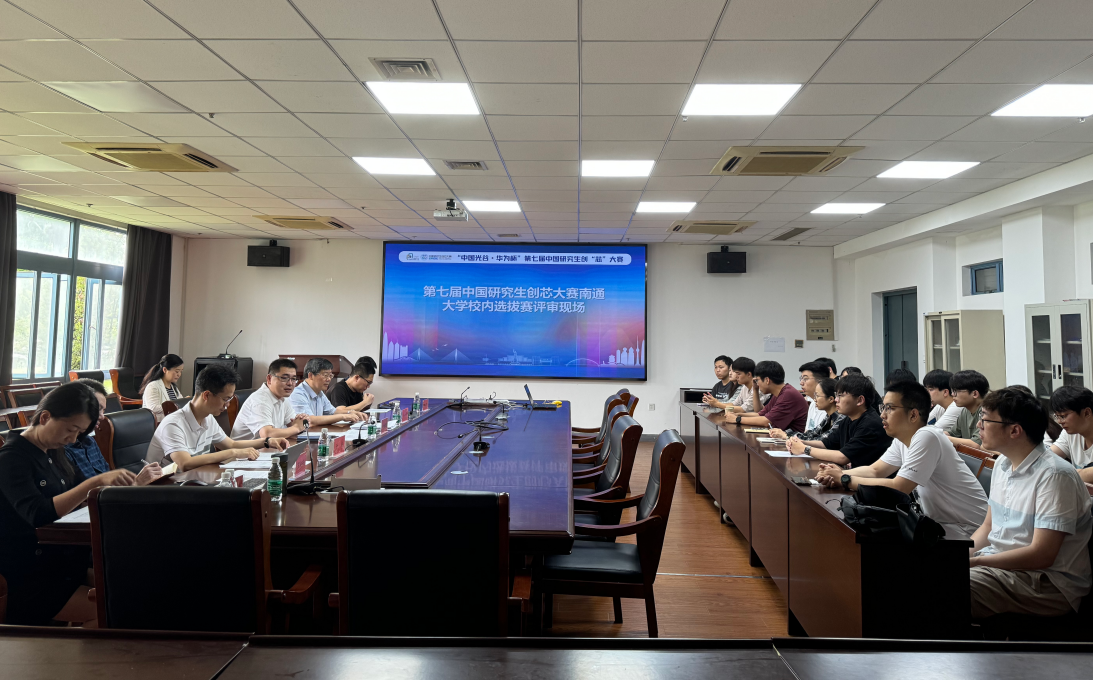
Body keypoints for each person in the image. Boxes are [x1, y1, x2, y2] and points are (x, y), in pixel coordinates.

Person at [0, 383, 151, 624]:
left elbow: (79, 494)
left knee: (136, 586)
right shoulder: (11, 458)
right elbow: (38, 513)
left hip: (65, 562)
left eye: (79, 433)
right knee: (117, 614)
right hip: (33, 573)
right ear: (45, 417)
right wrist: (95, 482)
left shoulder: (52, 450)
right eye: (71, 429)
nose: (72, 439)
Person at [967, 387, 1092, 619]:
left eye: (985, 420)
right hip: (1002, 567)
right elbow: (988, 527)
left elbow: (1041, 555)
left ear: (1015, 430)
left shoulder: (1054, 475)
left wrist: (976, 562)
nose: (978, 426)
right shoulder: (1002, 464)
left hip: (1047, 582)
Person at [815, 381, 987, 539]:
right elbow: (875, 470)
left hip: (966, 531)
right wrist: (838, 473)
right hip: (938, 525)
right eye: (883, 407)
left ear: (913, 415)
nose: (882, 415)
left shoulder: (927, 436)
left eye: (889, 408)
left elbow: (900, 487)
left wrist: (844, 479)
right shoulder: (903, 439)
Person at [148, 365, 290, 472]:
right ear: (206, 395)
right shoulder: (173, 424)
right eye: (225, 399)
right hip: (164, 489)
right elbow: (184, 463)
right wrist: (233, 453)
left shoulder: (208, 418)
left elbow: (231, 444)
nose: (227, 405)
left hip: (193, 481)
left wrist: (267, 442)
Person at [64, 379, 163, 484]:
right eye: (97, 409)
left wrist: (136, 482)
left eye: (103, 410)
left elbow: (109, 483)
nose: (102, 417)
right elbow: (89, 493)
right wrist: (136, 483)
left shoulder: (90, 442)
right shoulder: (63, 449)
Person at [786, 374, 891, 466]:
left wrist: (804, 449)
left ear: (860, 400)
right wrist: (800, 442)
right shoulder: (848, 419)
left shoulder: (870, 424)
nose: (836, 400)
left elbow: (843, 457)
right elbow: (826, 444)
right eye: (836, 395)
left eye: (841, 395)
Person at [230, 359, 309, 441]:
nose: (290, 383)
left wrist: (302, 420)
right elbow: (267, 434)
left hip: (268, 447)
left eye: (293, 379)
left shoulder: (283, 397)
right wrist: (297, 428)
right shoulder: (260, 400)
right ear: (269, 379)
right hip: (246, 448)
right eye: (284, 378)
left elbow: (293, 424)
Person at [727, 361, 808, 432]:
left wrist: (737, 419)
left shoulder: (787, 394)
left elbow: (767, 421)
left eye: (757, 380)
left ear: (767, 380)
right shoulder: (780, 392)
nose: (757, 384)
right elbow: (761, 414)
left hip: (793, 438)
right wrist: (737, 415)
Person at [289, 358, 366, 423]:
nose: (329, 379)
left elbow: (333, 411)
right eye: (325, 375)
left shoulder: (320, 393)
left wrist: (350, 412)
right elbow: (310, 420)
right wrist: (343, 416)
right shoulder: (298, 394)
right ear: (311, 375)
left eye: (330, 375)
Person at [770, 378, 843, 441]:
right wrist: (786, 433)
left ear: (831, 399)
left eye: (817, 396)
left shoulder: (840, 419)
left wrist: (787, 436)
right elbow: (812, 434)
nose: (815, 399)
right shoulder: (828, 417)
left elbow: (821, 441)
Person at [1049, 385, 1093, 484]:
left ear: (1086, 413)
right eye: (1057, 416)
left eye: (1063, 416)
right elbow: (1047, 458)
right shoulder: (1070, 434)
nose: (1059, 422)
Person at [946, 370, 989, 448]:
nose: (952, 394)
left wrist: (941, 437)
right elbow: (952, 433)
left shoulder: (988, 411)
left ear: (975, 394)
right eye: (952, 391)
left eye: (956, 391)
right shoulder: (965, 410)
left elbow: (976, 445)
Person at [139, 354, 185, 423]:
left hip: (172, 422)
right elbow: (153, 408)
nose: (179, 374)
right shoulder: (153, 386)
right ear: (165, 370)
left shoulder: (173, 387)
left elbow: (180, 403)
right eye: (177, 371)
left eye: (181, 371)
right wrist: (173, 406)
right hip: (157, 423)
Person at [798, 361, 830, 433]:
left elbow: (821, 437)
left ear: (820, 382)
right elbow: (806, 433)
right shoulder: (813, 404)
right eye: (801, 378)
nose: (801, 383)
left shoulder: (827, 407)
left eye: (805, 379)